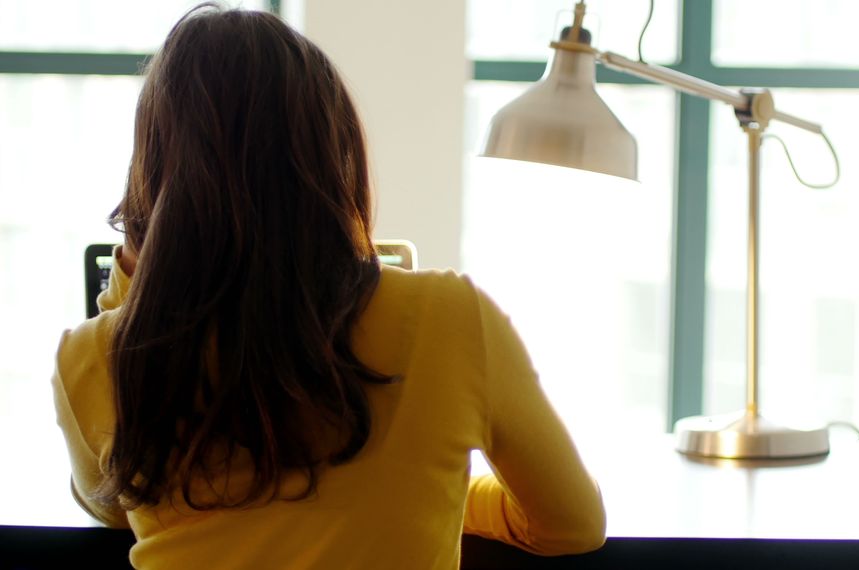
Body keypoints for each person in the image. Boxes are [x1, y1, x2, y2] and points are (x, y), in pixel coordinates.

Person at [50, 4, 605, 568]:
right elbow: (571, 525)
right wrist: (425, 491)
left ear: (153, 170)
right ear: (331, 150)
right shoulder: (452, 318)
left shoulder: (90, 359)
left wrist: (139, 267)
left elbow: (121, 506)